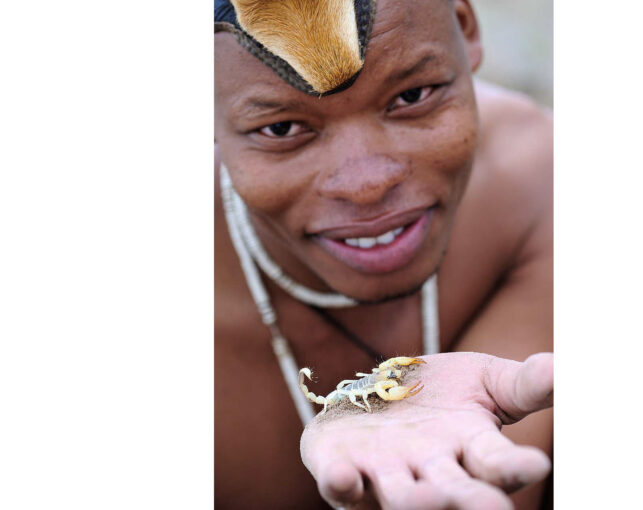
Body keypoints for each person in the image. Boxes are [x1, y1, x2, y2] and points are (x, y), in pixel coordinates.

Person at [214, 0, 553, 508]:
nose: (367, 185)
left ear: (465, 26)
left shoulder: (541, 183)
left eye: (412, 96)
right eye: (281, 129)